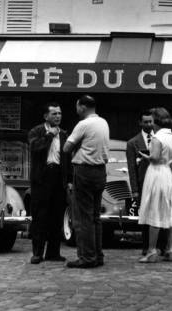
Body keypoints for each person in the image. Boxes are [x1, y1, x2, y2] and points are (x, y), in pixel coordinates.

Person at [63, 94, 109, 268]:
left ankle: (87, 257)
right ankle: (97, 255)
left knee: (84, 217)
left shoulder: (83, 124)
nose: (76, 110)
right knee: (95, 216)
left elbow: (67, 147)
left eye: (77, 106)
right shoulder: (103, 122)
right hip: (100, 171)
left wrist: (78, 149)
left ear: (82, 107)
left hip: (84, 171)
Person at [27, 102, 71, 264]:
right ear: (46, 116)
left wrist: (70, 180)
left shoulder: (65, 134)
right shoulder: (36, 131)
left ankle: (53, 252)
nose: (58, 116)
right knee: (40, 216)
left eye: (59, 113)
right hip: (41, 179)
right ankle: (37, 253)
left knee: (57, 216)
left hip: (58, 177)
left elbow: (69, 158)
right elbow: (35, 148)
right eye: (54, 114)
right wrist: (49, 135)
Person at [137, 107, 172, 263]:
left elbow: (154, 158)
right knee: (168, 210)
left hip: (156, 173)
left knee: (155, 210)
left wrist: (144, 156)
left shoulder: (157, 138)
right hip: (167, 173)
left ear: (156, 121)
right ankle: (169, 248)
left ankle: (152, 250)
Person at [126, 109, 154, 255]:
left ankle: (159, 245)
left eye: (151, 121)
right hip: (143, 184)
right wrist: (135, 189)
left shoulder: (159, 139)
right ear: (140, 123)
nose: (149, 124)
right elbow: (131, 168)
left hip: (158, 181)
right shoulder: (132, 143)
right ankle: (146, 246)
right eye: (146, 122)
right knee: (145, 216)